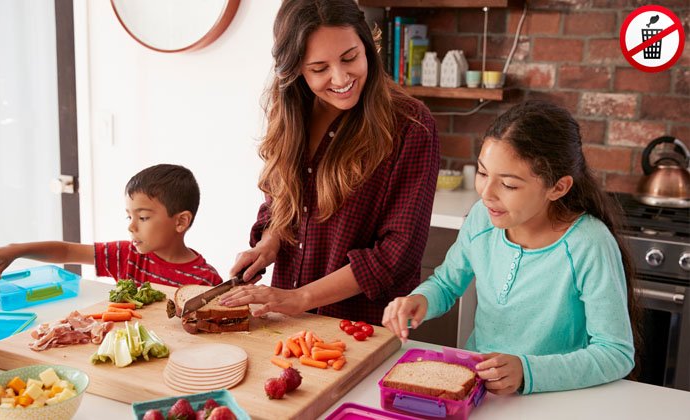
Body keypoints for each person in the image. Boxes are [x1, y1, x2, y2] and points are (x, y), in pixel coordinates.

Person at [382, 100, 640, 395]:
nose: (487, 193)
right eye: (482, 173)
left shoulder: (588, 244)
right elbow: (446, 283)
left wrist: (527, 372)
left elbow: (615, 354)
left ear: (558, 187)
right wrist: (421, 300)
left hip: (557, 398)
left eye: (509, 184)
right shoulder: (482, 218)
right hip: (481, 390)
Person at [220, 0, 439, 325]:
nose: (341, 77)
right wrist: (268, 244)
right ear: (295, 69)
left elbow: (396, 254)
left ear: (367, 45)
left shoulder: (410, 125)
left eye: (350, 57)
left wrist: (301, 298)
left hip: (362, 329)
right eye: (319, 68)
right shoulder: (290, 114)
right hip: (287, 323)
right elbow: (281, 202)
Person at [0, 164, 222, 287]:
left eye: (143, 218)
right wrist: (16, 250)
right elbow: (67, 251)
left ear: (180, 221)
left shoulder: (204, 280)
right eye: (129, 217)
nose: (131, 227)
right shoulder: (127, 256)